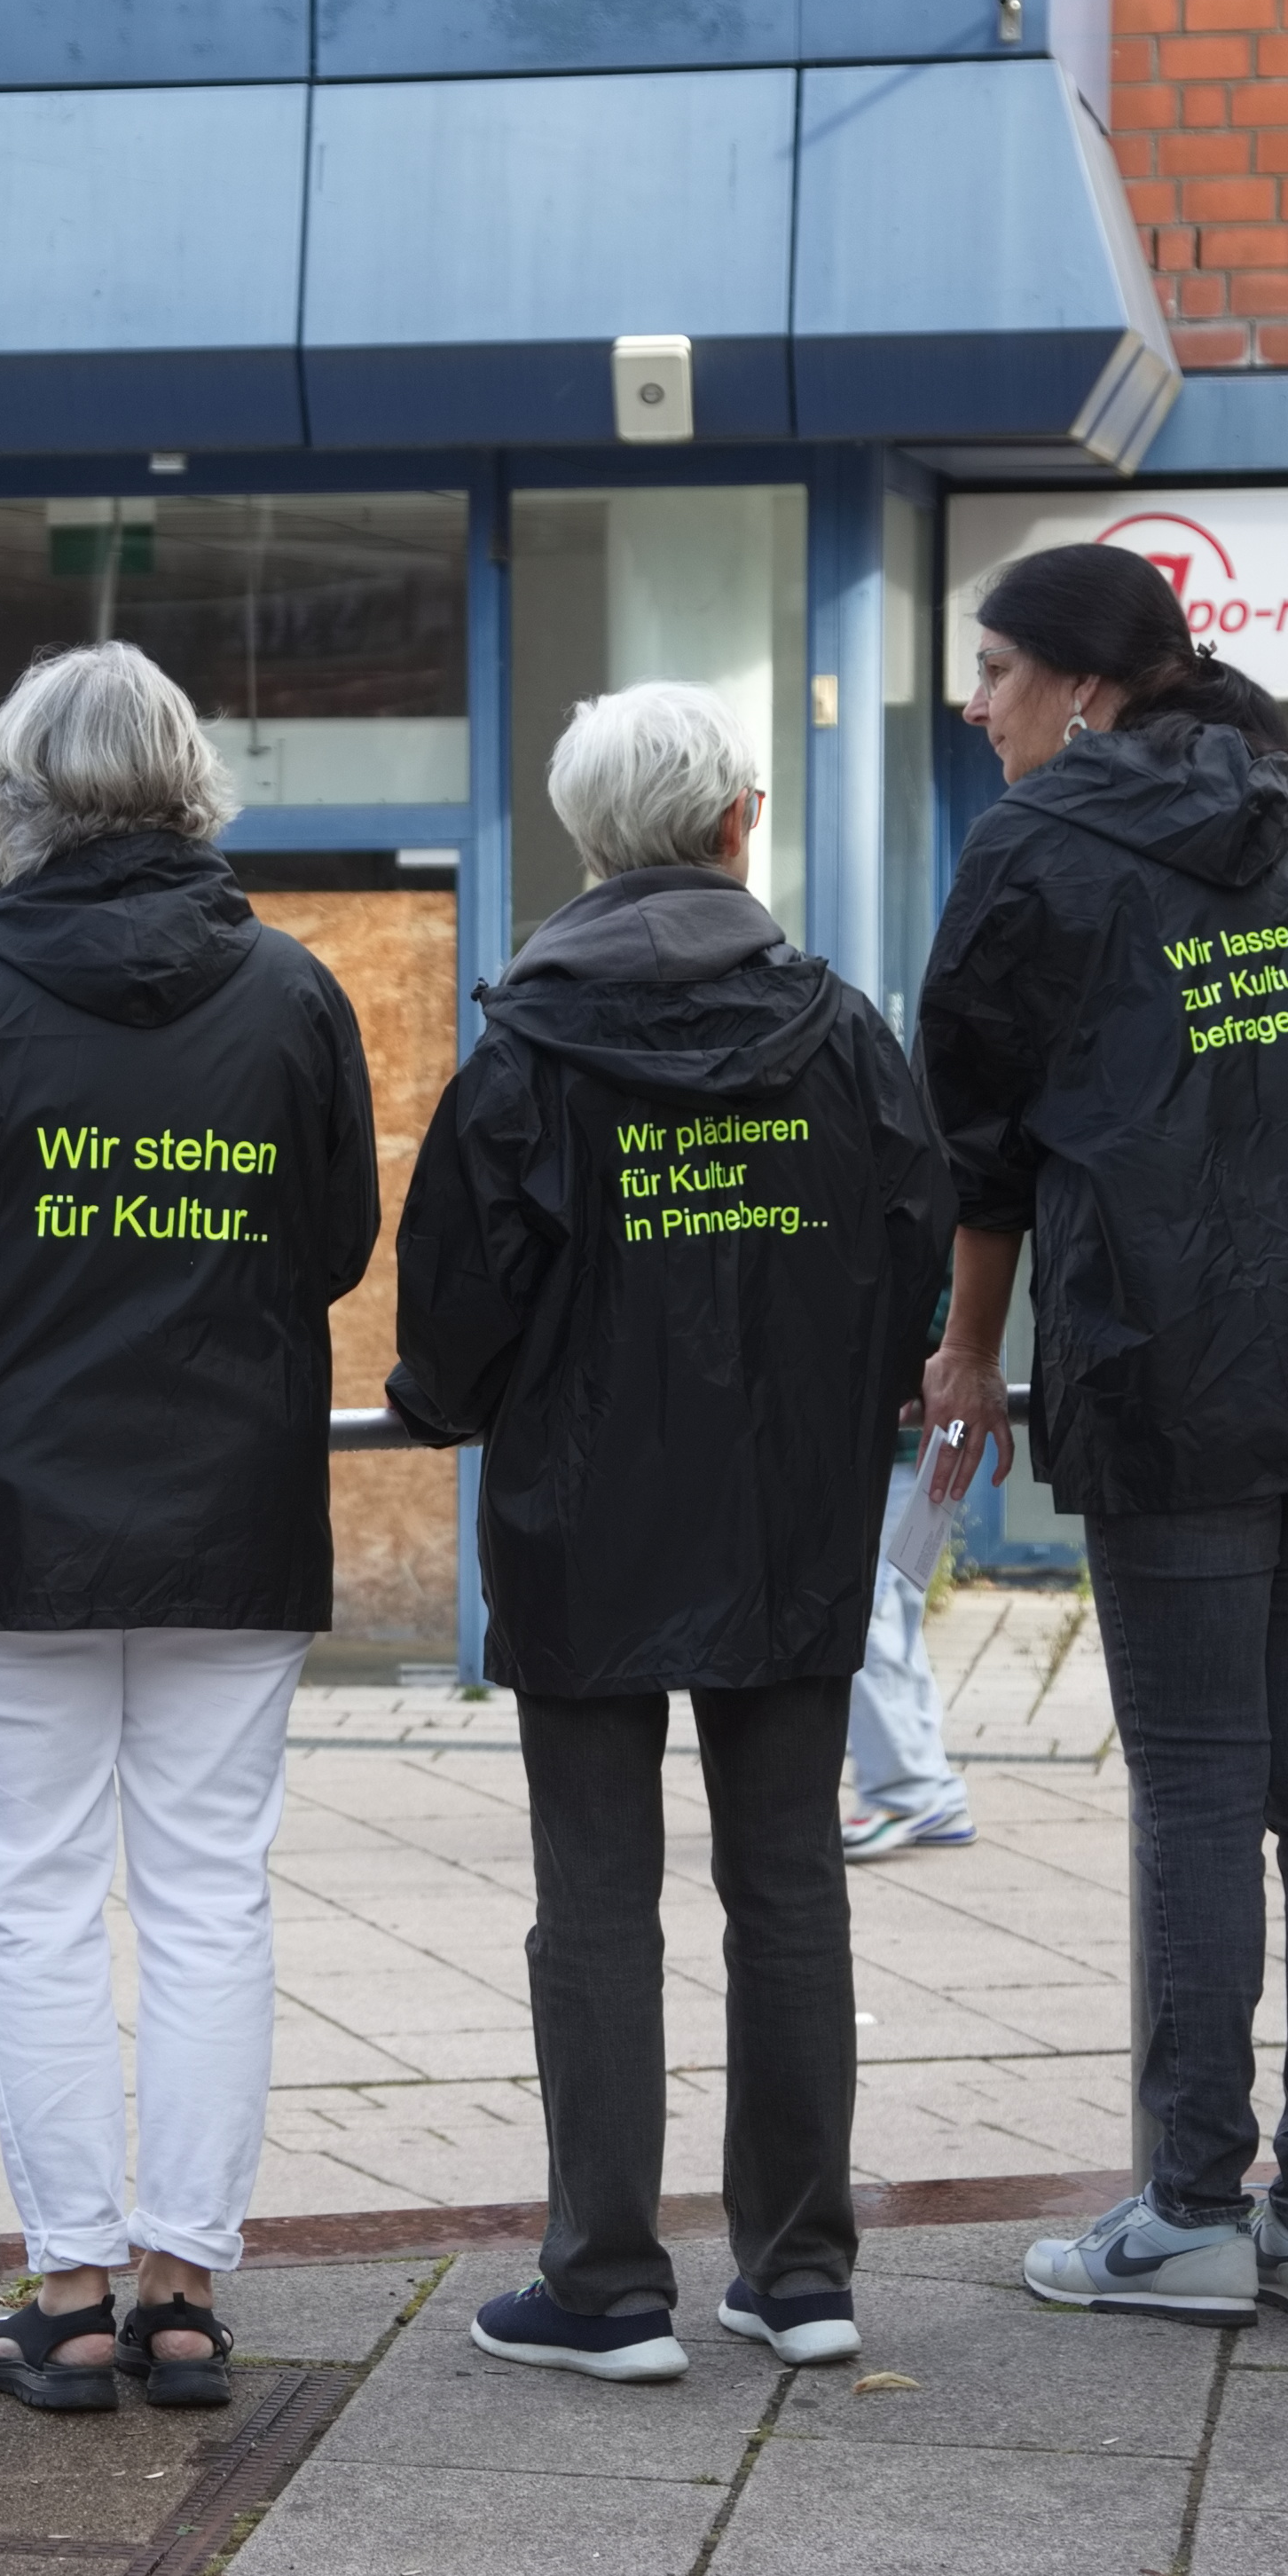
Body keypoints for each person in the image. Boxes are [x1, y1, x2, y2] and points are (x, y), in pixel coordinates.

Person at [0, 642, 380, 2415]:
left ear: (13, 797)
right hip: (233, 1501)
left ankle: (66, 2294)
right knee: (210, 1896)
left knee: (32, 1903)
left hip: (1, 1511)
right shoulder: (291, 994)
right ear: (193, 785)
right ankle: (183, 2293)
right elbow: (333, 1241)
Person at [915, 540, 1288, 2331]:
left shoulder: (1035, 843)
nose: (974, 702)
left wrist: (967, 1347)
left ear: (1086, 684)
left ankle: (1187, 2213)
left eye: (996, 669)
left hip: (1172, 1358)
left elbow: (976, 1136)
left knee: (1194, 1787)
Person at [388, 683, 946, 2379]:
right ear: (733, 823)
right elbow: (911, 1250)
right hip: (787, 1516)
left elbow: (454, 1316)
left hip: (583, 1520)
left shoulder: (525, 1053)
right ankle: (800, 2272)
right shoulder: (840, 1034)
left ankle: (607, 2283)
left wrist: (440, 1402)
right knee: (787, 1887)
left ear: (588, 837)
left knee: (594, 1900)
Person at [841, 1433, 974, 1862]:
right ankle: (936, 1797)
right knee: (890, 1613)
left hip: (897, 1451)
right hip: (925, 1451)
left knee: (858, 1617)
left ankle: (905, 1795)